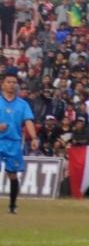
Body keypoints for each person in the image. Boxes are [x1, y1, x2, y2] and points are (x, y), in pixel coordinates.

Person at [0, 69, 39, 214]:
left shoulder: (22, 104)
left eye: (14, 83)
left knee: (12, 175)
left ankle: (12, 206)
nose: (11, 85)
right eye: (8, 82)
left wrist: (34, 138)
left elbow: (28, 121)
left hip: (14, 143)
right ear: (2, 84)